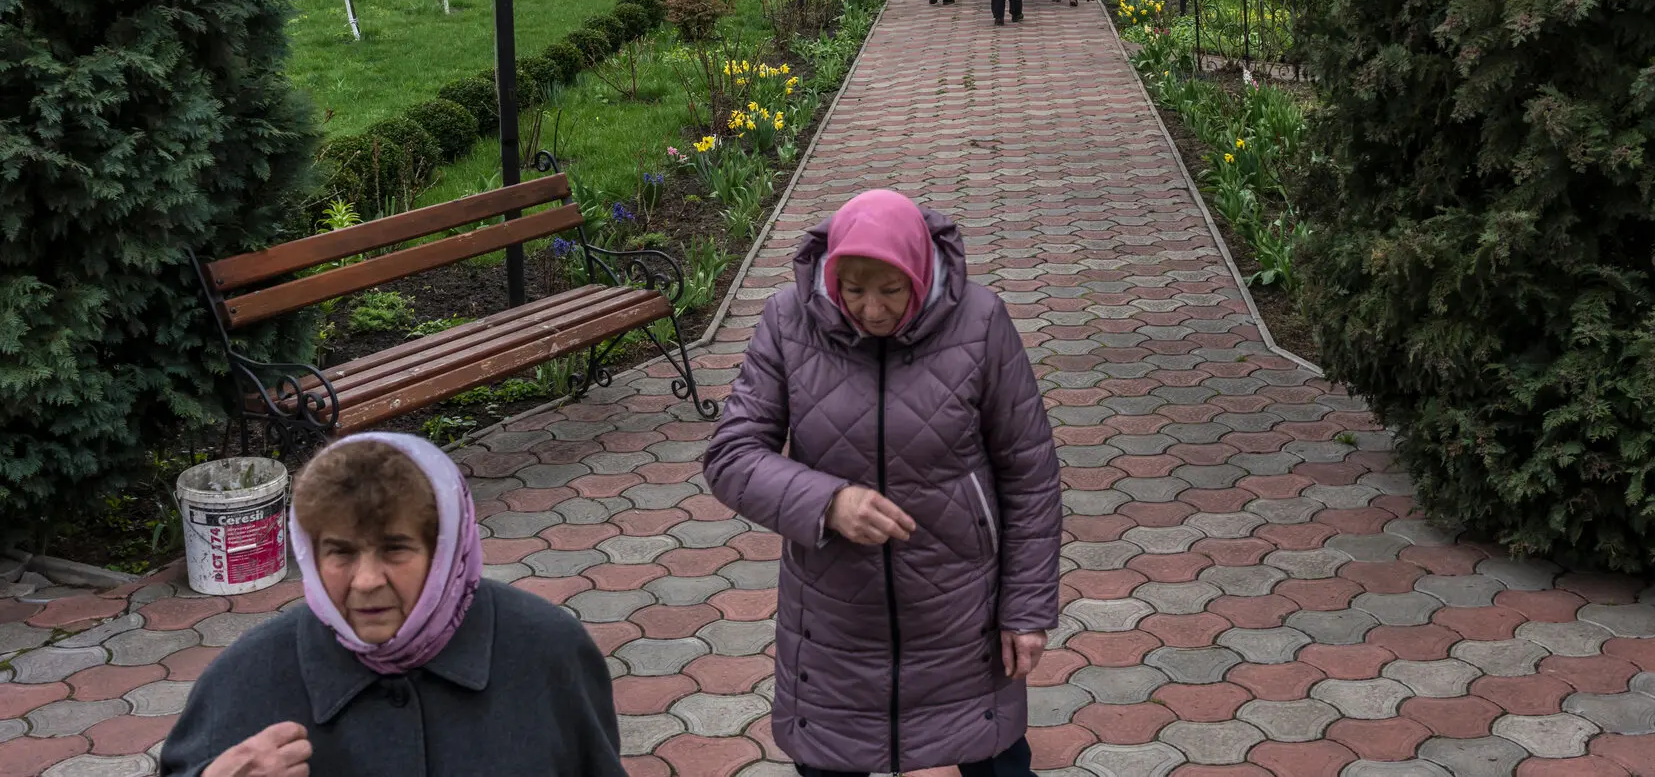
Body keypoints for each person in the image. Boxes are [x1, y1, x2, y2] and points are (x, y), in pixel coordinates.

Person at [706, 189, 1061, 777]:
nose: (871, 311)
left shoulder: (980, 321)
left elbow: (1030, 474)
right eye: (853, 289)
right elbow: (732, 454)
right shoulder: (787, 322)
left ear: (920, 272)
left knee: (998, 761)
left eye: (891, 290)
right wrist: (828, 503)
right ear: (830, 273)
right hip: (835, 620)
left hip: (959, 611)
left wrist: (1025, 609)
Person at [160, 435, 626, 777]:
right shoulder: (247, 676)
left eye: (394, 548)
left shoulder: (547, 651)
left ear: (446, 551)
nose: (365, 581)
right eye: (340, 551)